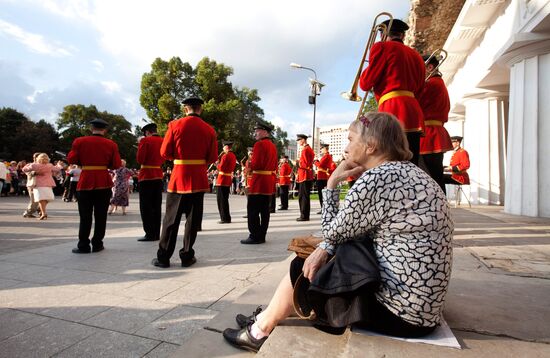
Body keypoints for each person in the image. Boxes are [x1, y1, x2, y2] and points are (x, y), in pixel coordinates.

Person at [223, 112, 453, 352]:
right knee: (326, 252)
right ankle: (265, 316)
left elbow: (331, 231)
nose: (347, 147)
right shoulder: (412, 174)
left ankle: (258, 331)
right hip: (423, 311)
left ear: (371, 146)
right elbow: (343, 234)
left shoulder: (377, 178)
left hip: (400, 314)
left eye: (351, 139)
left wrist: (332, 183)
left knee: (303, 264)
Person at [152, 97, 218, 268]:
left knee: (171, 220)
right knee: (192, 220)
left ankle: (164, 257)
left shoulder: (175, 125)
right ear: (200, 109)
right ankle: (187, 256)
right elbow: (212, 157)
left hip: (179, 177)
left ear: (185, 109)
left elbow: (164, 152)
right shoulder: (209, 130)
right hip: (198, 178)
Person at [359, 19, 425, 165]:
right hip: (414, 112)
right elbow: (420, 88)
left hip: (391, 108)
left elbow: (365, 84)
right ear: (402, 35)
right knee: (411, 163)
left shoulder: (381, 47)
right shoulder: (417, 56)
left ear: (383, 34)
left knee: (389, 161)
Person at [68, 118, 122, 254]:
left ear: (91, 128)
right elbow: (116, 164)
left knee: (85, 215)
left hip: (85, 180)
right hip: (103, 180)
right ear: (104, 130)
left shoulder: (79, 141)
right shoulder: (111, 144)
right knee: (101, 215)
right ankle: (97, 243)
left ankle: (83, 245)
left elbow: (71, 159)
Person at [418, 54, 453, 193]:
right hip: (434, 131)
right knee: (435, 175)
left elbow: (416, 102)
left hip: (429, 134)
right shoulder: (439, 83)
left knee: (429, 176)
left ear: (430, 67)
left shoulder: (431, 84)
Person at [240, 120, 277, 245]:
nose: (255, 132)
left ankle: (254, 235)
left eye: (257, 130)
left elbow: (256, 164)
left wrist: (249, 165)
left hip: (259, 181)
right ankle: (262, 235)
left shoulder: (259, 145)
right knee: (264, 210)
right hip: (267, 181)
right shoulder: (272, 145)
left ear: (265, 132)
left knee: (253, 209)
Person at [136, 122, 164, 242]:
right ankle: (157, 232)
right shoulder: (163, 140)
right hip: (158, 174)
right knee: (156, 206)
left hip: (146, 175)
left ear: (147, 132)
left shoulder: (145, 141)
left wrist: (140, 145)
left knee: (146, 206)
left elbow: (140, 159)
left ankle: (149, 233)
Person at [22, 153, 60, 220]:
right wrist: (59, 165)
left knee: (40, 200)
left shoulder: (33, 165)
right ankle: (36, 212)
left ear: (38, 158)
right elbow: (58, 169)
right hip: (42, 184)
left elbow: (24, 169)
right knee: (41, 199)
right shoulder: (49, 165)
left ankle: (42, 212)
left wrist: (28, 167)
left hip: (38, 185)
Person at [216, 141, 237, 224]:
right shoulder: (233, 155)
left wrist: (216, 164)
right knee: (224, 200)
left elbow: (221, 167)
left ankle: (224, 218)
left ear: (226, 147)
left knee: (221, 200)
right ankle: (226, 217)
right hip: (227, 179)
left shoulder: (225, 156)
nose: (222, 149)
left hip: (222, 179)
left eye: (223, 147)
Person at [296, 134, 314, 221]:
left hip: (304, 174)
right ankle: (304, 215)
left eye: (299, 140)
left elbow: (305, 164)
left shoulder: (305, 150)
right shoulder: (308, 149)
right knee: (304, 196)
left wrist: (297, 163)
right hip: (305, 174)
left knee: (303, 196)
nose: (298, 142)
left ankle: (304, 216)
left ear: (303, 140)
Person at [314, 144, 334, 214]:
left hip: (322, 177)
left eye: (322, 148)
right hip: (321, 176)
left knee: (321, 194)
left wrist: (315, 161)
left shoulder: (326, 156)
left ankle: (323, 208)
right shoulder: (326, 156)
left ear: (325, 149)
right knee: (322, 193)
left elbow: (320, 165)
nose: (321, 150)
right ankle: (323, 208)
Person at [22, 153, 41, 218]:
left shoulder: (43, 165)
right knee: (34, 200)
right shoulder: (29, 165)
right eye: (35, 157)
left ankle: (40, 210)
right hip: (32, 184)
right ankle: (28, 213)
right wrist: (33, 172)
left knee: (41, 199)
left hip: (41, 184)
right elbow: (26, 171)